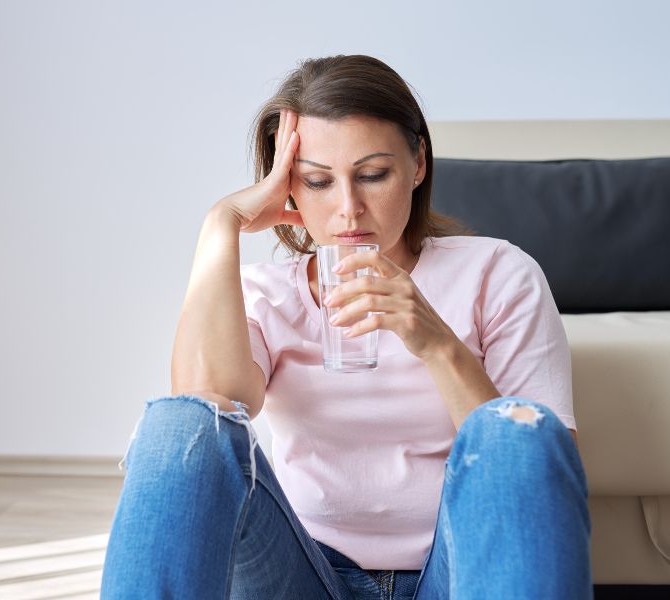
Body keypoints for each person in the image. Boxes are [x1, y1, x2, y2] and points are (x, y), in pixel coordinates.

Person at [100, 54, 593, 599]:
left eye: (373, 175)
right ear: (288, 185)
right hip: (300, 572)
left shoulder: (497, 273)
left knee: (518, 433)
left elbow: (545, 469)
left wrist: (435, 343)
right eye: (317, 181)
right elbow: (207, 407)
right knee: (181, 424)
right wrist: (222, 225)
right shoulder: (267, 293)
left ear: (418, 163)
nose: (349, 209)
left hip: (452, 573)